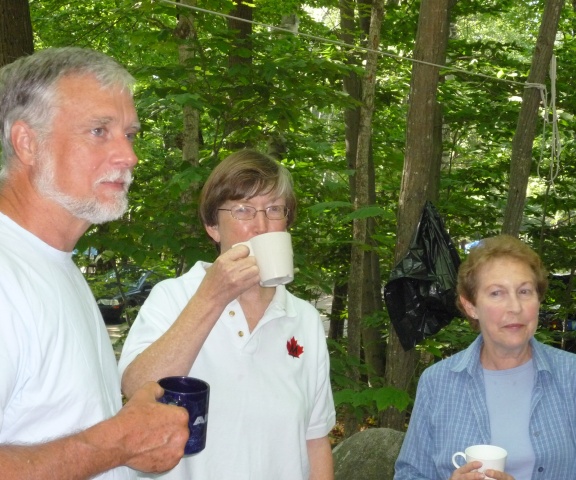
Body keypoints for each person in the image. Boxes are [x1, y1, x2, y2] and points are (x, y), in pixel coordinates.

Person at [0, 47, 189, 479]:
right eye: (99, 131)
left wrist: (126, 438)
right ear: (28, 143)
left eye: (130, 134)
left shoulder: (52, 262)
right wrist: (118, 442)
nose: (129, 156)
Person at [119, 149, 336, 480]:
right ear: (213, 226)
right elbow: (136, 387)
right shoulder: (174, 297)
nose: (262, 226)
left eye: (274, 209)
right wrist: (212, 296)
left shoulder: (304, 319)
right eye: (243, 210)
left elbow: (315, 440)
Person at [394, 235, 576, 480]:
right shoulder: (437, 383)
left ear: (538, 300)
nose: (515, 307)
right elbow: (410, 473)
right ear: (471, 306)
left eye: (524, 291)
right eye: (497, 293)